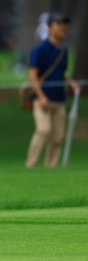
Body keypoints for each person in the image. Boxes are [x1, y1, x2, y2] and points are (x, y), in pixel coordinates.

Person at [25, 13, 80, 169]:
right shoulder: (40, 49)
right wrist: (41, 96)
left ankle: (51, 166)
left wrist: (71, 83)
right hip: (42, 99)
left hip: (59, 99)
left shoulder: (63, 51)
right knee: (43, 130)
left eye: (65, 26)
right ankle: (31, 164)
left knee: (57, 137)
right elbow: (33, 76)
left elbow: (60, 73)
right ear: (50, 27)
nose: (63, 28)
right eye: (59, 24)